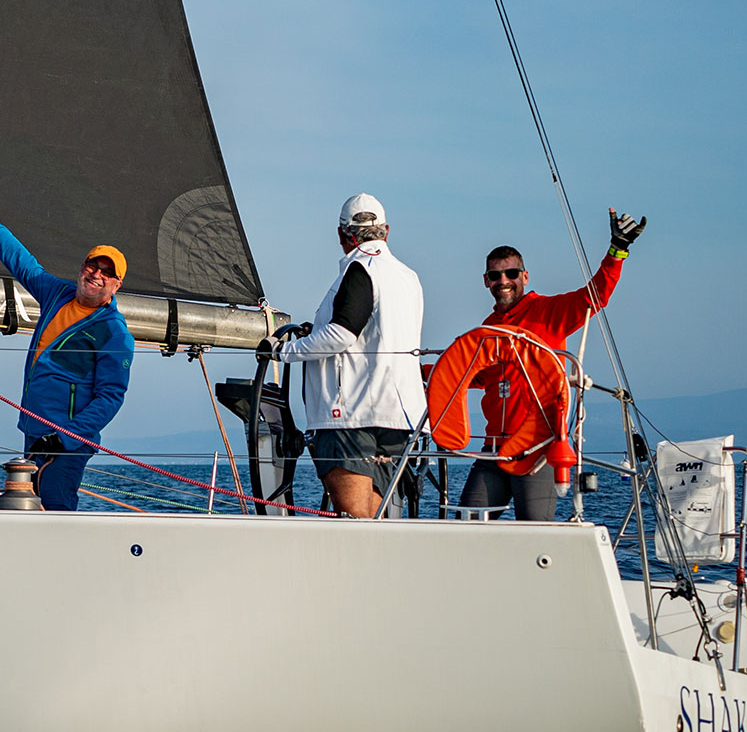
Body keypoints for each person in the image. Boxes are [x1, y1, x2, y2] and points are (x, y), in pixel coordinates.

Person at [0, 168, 134, 511]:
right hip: (34, 433)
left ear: (116, 285)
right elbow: (19, 259)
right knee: (32, 512)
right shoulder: (57, 294)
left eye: (107, 272)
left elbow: (111, 397)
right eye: (92, 266)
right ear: (83, 266)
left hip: (66, 444)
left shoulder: (114, 332)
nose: (96, 274)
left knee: (56, 512)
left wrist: (64, 438)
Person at [455, 208, 645, 521]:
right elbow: (473, 375)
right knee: (466, 528)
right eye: (495, 276)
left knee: (535, 536)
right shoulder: (488, 328)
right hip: (493, 450)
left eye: (511, 273)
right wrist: (414, 372)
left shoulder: (549, 311)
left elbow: (596, 296)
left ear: (525, 277)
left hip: (538, 449)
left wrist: (618, 249)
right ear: (486, 281)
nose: (504, 281)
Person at [267, 193, 426, 519]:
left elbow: (341, 334)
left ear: (343, 235)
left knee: (354, 519)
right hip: (399, 417)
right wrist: (317, 331)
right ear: (386, 231)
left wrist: (283, 351)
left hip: (351, 416)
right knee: (375, 520)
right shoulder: (408, 276)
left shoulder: (360, 269)